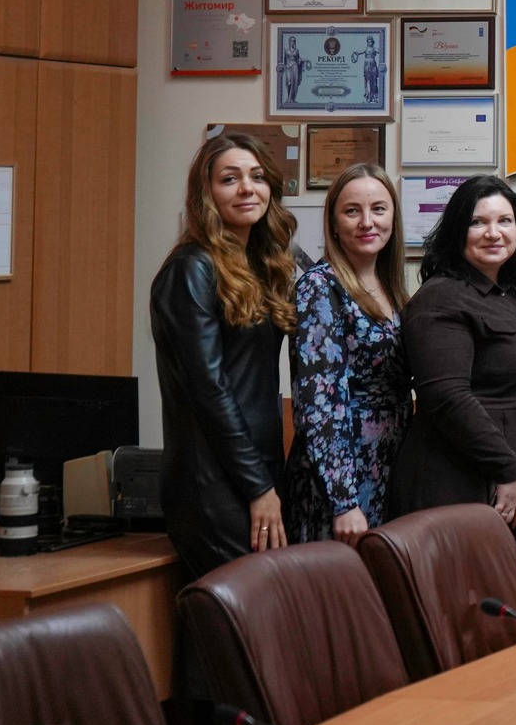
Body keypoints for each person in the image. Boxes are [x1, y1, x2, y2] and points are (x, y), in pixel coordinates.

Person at [389, 175, 516, 613]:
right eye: (478, 222)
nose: (493, 233)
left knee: (507, 615)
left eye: (505, 221)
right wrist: (507, 468)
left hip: (509, 487)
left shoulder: (513, 294)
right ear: (457, 229)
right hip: (460, 484)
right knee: (463, 616)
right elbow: (446, 396)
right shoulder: (441, 298)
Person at [151, 132, 296, 578]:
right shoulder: (191, 269)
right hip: (214, 482)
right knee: (243, 610)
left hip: (258, 471)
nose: (247, 188)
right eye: (230, 179)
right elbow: (209, 391)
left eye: (257, 177)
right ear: (207, 193)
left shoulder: (262, 265)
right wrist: (258, 488)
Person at [283, 163, 411, 545]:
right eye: (352, 211)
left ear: (393, 218)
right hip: (341, 480)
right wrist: (343, 501)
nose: (367, 222)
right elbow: (318, 403)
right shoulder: (320, 287)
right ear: (334, 224)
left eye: (378, 209)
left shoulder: (391, 286)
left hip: (389, 466)